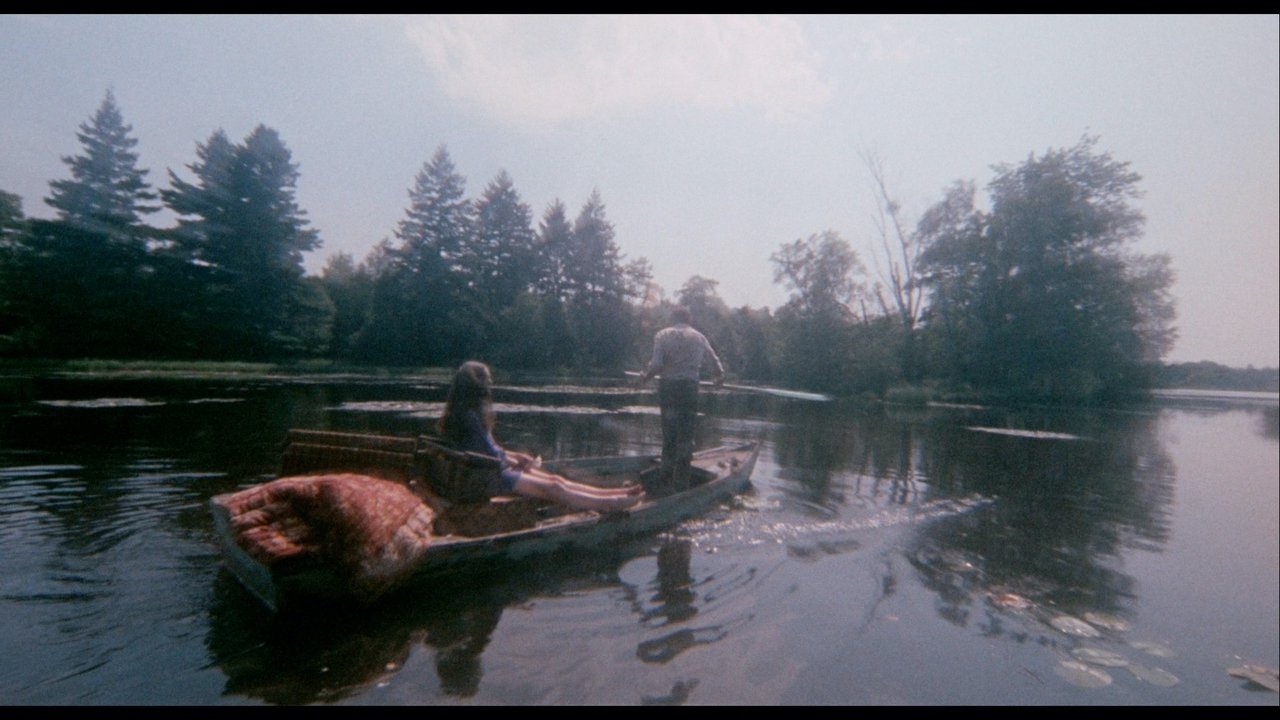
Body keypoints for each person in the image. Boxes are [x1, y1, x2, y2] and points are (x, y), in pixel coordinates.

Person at [438, 361, 643, 511]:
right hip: (486, 478)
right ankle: (611, 503)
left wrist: (515, 457)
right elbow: (487, 454)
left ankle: (614, 493)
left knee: (556, 479)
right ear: (476, 384)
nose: (490, 383)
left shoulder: (467, 412)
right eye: (487, 379)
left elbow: (488, 448)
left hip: (488, 470)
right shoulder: (469, 417)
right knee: (554, 486)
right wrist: (513, 460)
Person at [637, 306, 725, 492]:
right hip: (689, 389)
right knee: (685, 436)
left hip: (668, 388)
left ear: (672, 318)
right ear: (689, 320)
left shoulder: (662, 335)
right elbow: (715, 363)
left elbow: (657, 365)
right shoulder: (699, 337)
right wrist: (719, 377)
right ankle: (681, 486)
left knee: (669, 435)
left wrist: (645, 378)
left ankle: (665, 480)